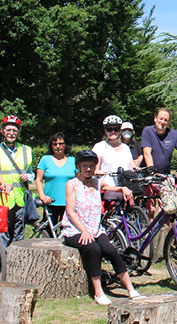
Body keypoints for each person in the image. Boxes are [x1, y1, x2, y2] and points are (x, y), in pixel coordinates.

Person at [60, 150, 141, 306]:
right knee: (94, 250)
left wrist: (123, 188)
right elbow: (70, 211)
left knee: (111, 251)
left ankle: (131, 289)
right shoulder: (72, 184)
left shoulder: (97, 182)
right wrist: (83, 230)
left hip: (95, 230)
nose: (88, 169)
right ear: (78, 167)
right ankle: (98, 292)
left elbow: (112, 187)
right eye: (85, 166)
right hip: (75, 230)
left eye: (91, 166)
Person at [0, 115, 35, 248]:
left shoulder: (27, 150)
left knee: (18, 235)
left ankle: (16, 265)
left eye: (14, 130)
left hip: (20, 199)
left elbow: (31, 173)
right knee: (1, 235)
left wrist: (28, 177)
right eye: (8, 130)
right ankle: (0, 266)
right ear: (2, 131)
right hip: (0, 200)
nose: (11, 133)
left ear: (18, 132)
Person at [35, 132, 76, 226]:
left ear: (65, 145)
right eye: (55, 144)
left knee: (67, 231)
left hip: (69, 202)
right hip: (50, 202)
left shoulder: (73, 161)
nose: (58, 146)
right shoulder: (45, 160)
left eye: (61, 143)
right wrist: (42, 195)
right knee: (49, 232)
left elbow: (78, 181)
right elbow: (39, 179)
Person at [93, 115, 136, 197]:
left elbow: (132, 167)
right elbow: (94, 169)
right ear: (105, 131)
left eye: (116, 129)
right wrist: (97, 171)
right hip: (108, 189)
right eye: (109, 129)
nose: (113, 132)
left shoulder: (125, 148)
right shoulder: (99, 147)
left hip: (125, 188)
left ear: (120, 131)